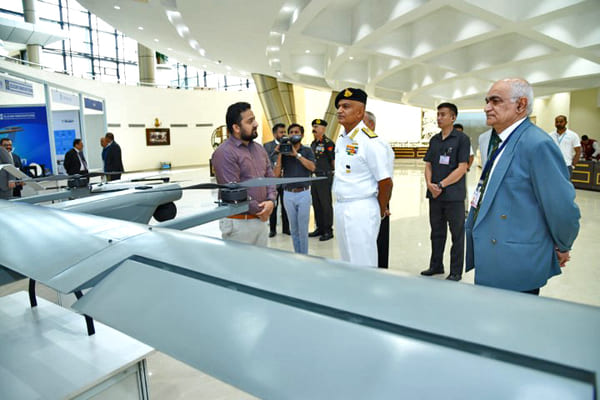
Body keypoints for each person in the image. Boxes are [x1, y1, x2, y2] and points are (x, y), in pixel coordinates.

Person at [466, 78, 580, 295]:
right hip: (492, 254)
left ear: (520, 105)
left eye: (495, 101)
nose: (486, 107)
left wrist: (563, 244)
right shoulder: (496, 140)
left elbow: (561, 207)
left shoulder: (537, 144)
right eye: (487, 101)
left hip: (516, 261)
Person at [333, 88, 393, 267]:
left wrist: (380, 211)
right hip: (341, 206)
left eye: (346, 106)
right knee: (347, 261)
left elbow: (385, 182)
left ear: (360, 112)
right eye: (339, 106)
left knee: (363, 262)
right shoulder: (342, 138)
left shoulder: (371, 142)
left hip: (361, 208)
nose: (340, 110)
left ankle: (366, 294)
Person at [212, 102, 276, 246]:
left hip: (260, 219)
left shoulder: (259, 149)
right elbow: (234, 190)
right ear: (236, 127)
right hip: (239, 223)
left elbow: (270, 177)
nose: (256, 124)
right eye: (250, 121)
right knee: (240, 267)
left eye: (254, 119)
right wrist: (262, 209)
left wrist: (271, 201)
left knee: (260, 266)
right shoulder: (224, 153)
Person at [421, 103, 470, 281]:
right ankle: (436, 265)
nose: (439, 118)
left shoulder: (462, 139)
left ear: (453, 117)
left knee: (457, 234)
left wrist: (440, 185)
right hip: (434, 195)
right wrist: (429, 184)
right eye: (438, 114)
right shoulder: (434, 140)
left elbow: (462, 167)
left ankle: (456, 271)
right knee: (436, 232)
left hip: (453, 196)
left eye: (443, 115)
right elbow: (428, 164)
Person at [273, 123, 316, 254]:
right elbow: (276, 174)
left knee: (303, 229)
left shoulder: (307, 150)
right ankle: (298, 255)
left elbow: (312, 167)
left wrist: (296, 155)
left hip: (303, 193)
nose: (293, 134)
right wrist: (281, 153)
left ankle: (304, 256)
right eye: (291, 132)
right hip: (288, 194)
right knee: (294, 229)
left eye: (296, 132)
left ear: (302, 135)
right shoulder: (284, 151)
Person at [363, 111, 394, 269]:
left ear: (371, 125)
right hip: (360, 203)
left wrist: (384, 206)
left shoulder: (380, 145)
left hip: (378, 200)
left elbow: (386, 180)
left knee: (378, 243)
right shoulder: (354, 144)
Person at [309, 118, 335, 241]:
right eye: (313, 126)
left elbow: (333, 161)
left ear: (323, 129)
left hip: (324, 177)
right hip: (314, 177)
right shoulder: (313, 144)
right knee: (316, 203)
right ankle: (319, 228)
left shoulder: (328, 143)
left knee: (325, 204)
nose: (314, 128)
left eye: (317, 127)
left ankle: (328, 230)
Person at [263, 123, 289, 237]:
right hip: (273, 181)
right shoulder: (268, 146)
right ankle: (272, 229)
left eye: (284, 132)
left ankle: (286, 229)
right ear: (274, 134)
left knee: (286, 205)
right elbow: (266, 160)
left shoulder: (289, 145)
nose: (283, 134)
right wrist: (276, 151)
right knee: (273, 205)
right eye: (281, 132)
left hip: (285, 180)